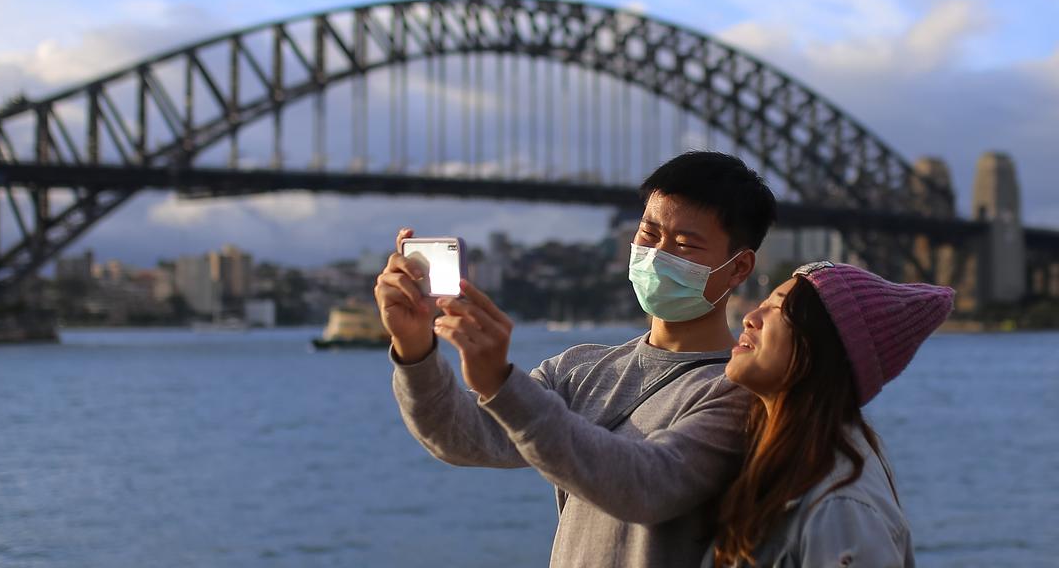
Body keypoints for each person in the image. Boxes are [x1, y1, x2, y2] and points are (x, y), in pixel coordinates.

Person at [375, 151, 777, 567]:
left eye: (684, 245)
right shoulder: (577, 370)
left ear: (738, 268)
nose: (658, 255)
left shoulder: (741, 391)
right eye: (649, 234)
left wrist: (501, 383)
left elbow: (647, 485)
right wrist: (414, 348)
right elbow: (462, 437)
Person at [707, 261, 954, 567]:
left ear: (821, 348)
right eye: (762, 305)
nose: (750, 318)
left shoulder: (842, 509)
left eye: (778, 309)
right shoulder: (769, 457)